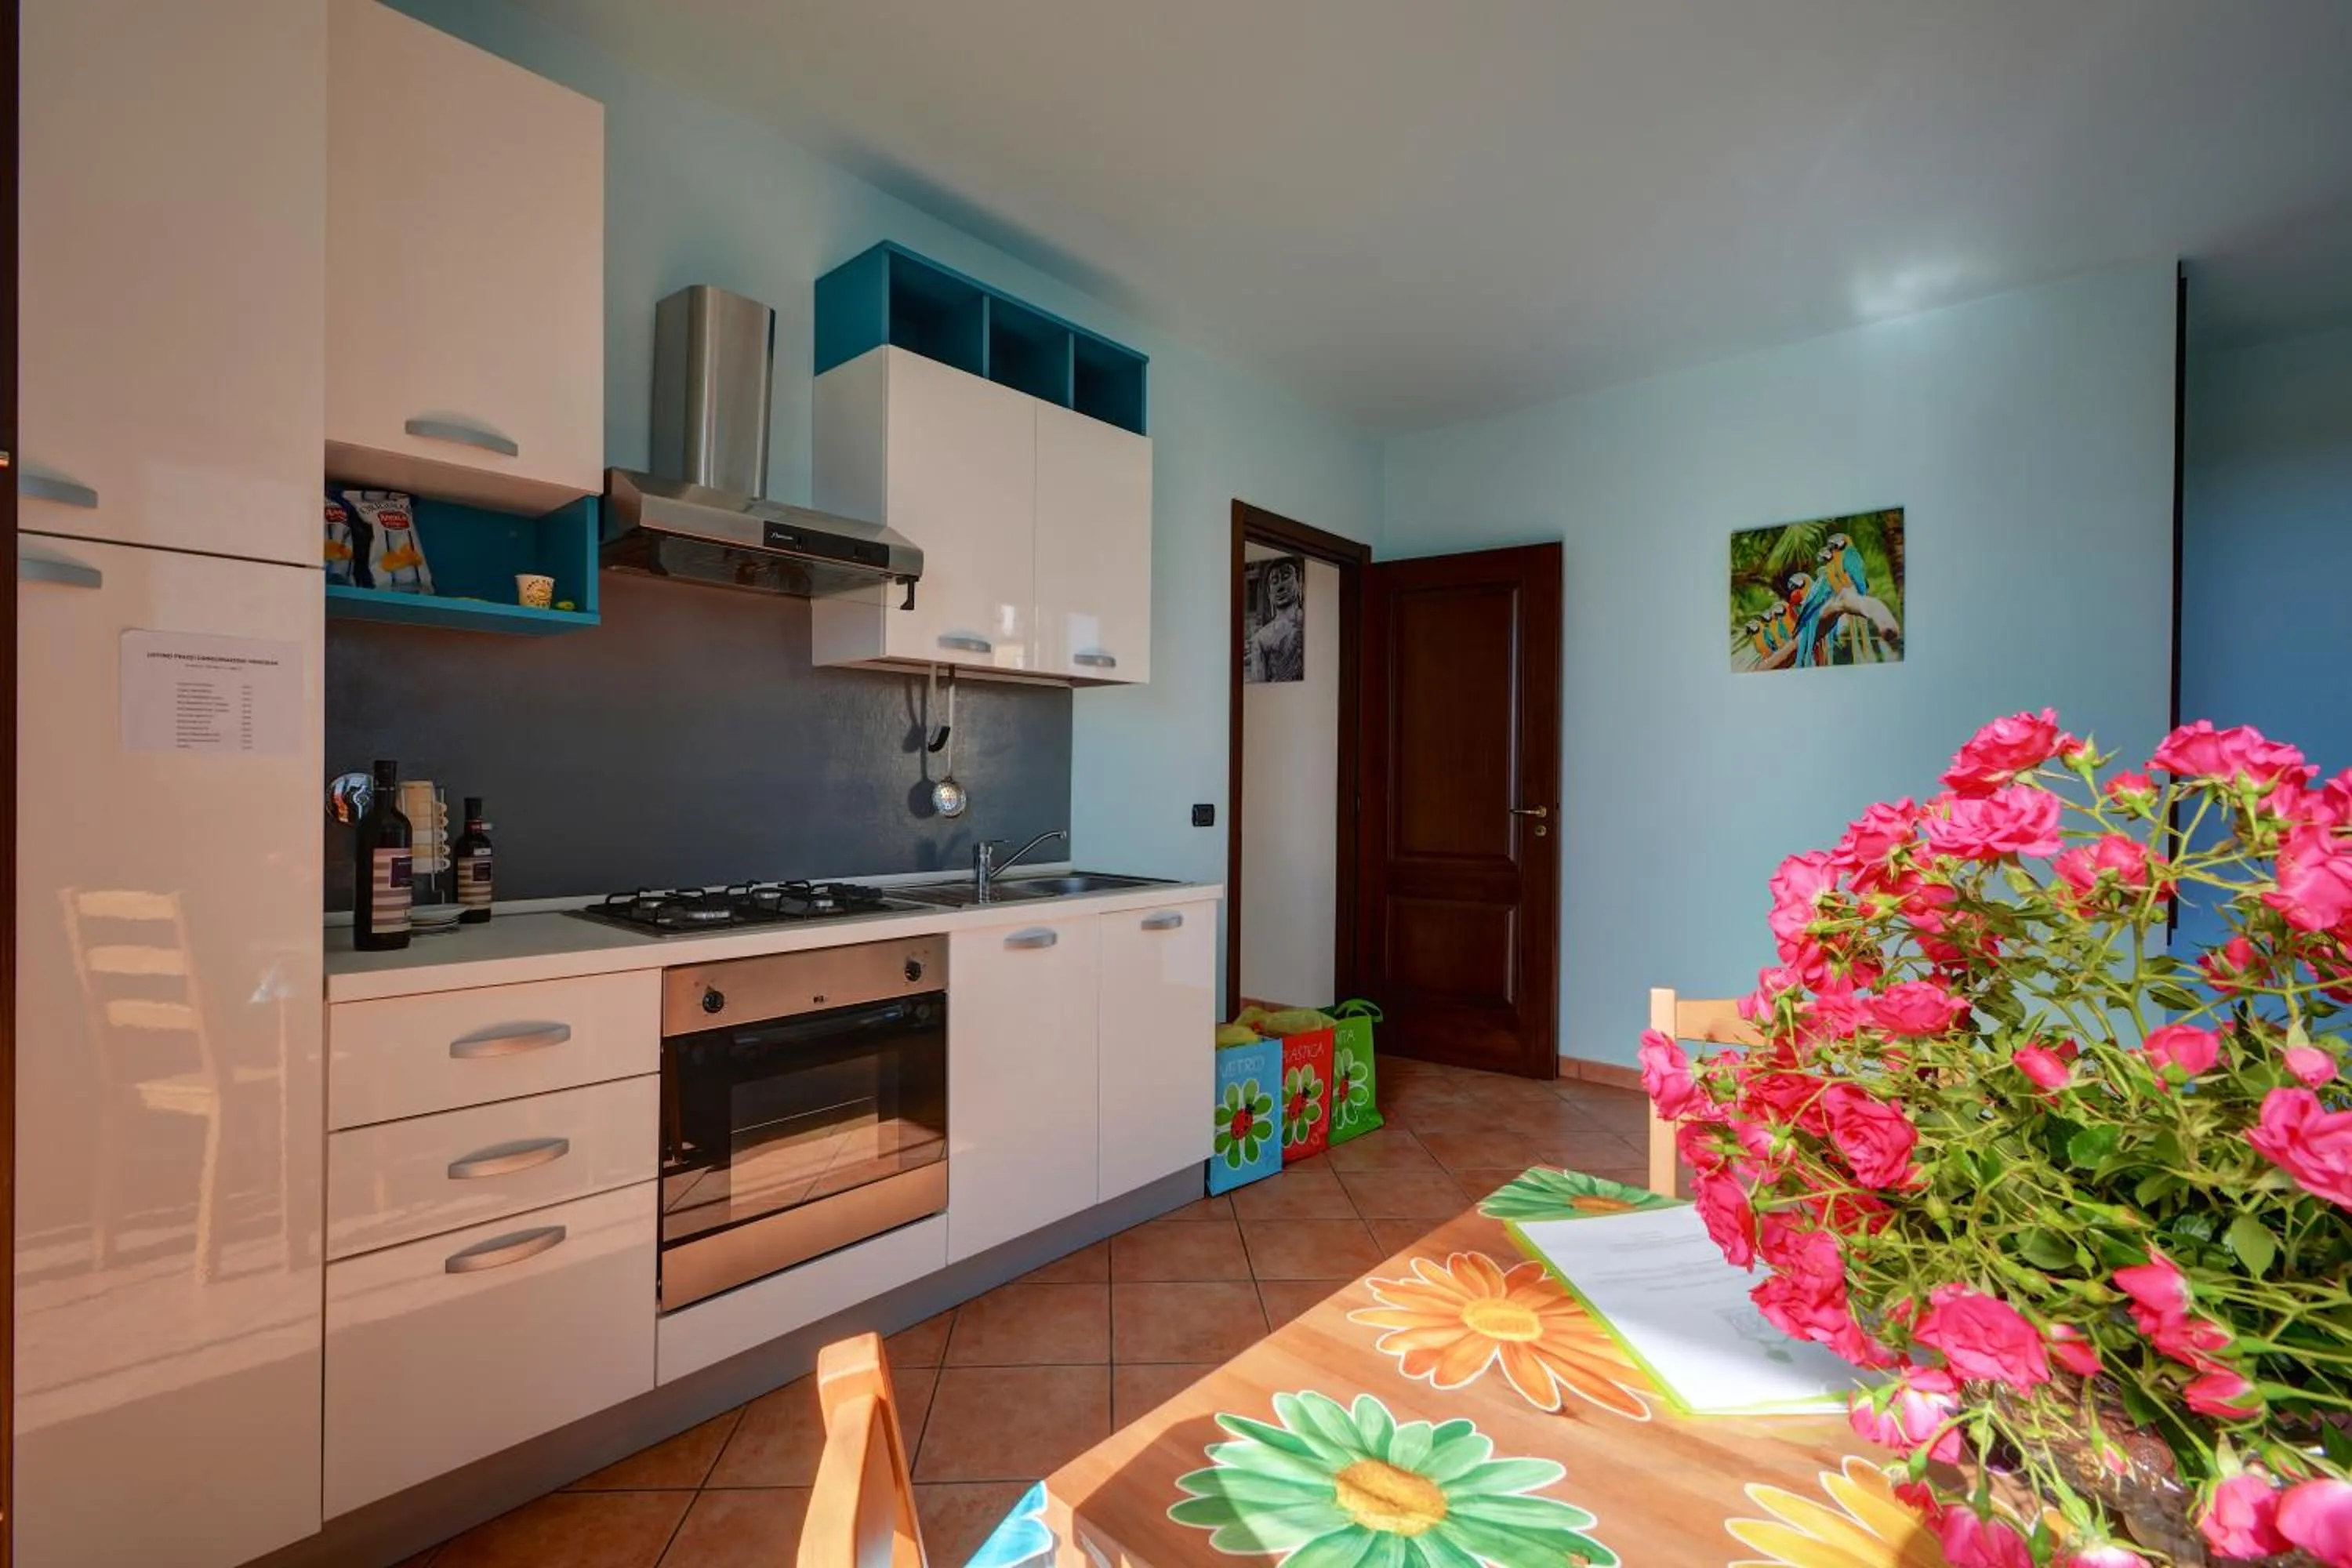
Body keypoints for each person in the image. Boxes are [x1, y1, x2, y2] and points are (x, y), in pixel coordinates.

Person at [1247, 557, 1306, 682]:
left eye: (1286, 576)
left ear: (1299, 582)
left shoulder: (1312, 624)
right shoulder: (1261, 639)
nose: (1281, 586)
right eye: (1275, 581)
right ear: (1269, 593)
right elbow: (1259, 687)